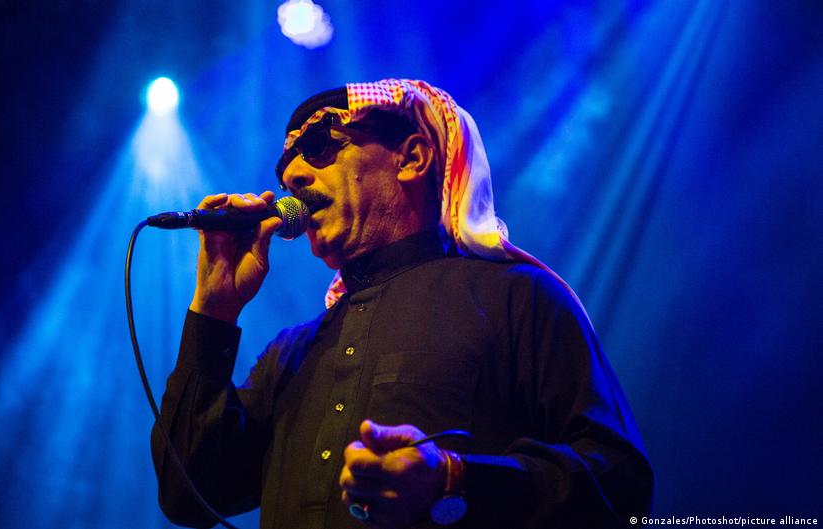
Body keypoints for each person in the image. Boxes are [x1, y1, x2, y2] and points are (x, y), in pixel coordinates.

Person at [151, 79, 654, 529]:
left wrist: (453, 479)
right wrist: (214, 311)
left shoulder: (519, 297)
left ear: (412, 158)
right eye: (285, 171)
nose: (294, 175)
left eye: (320, 146)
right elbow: (186, 496)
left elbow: (621, 486)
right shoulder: (290, 353)